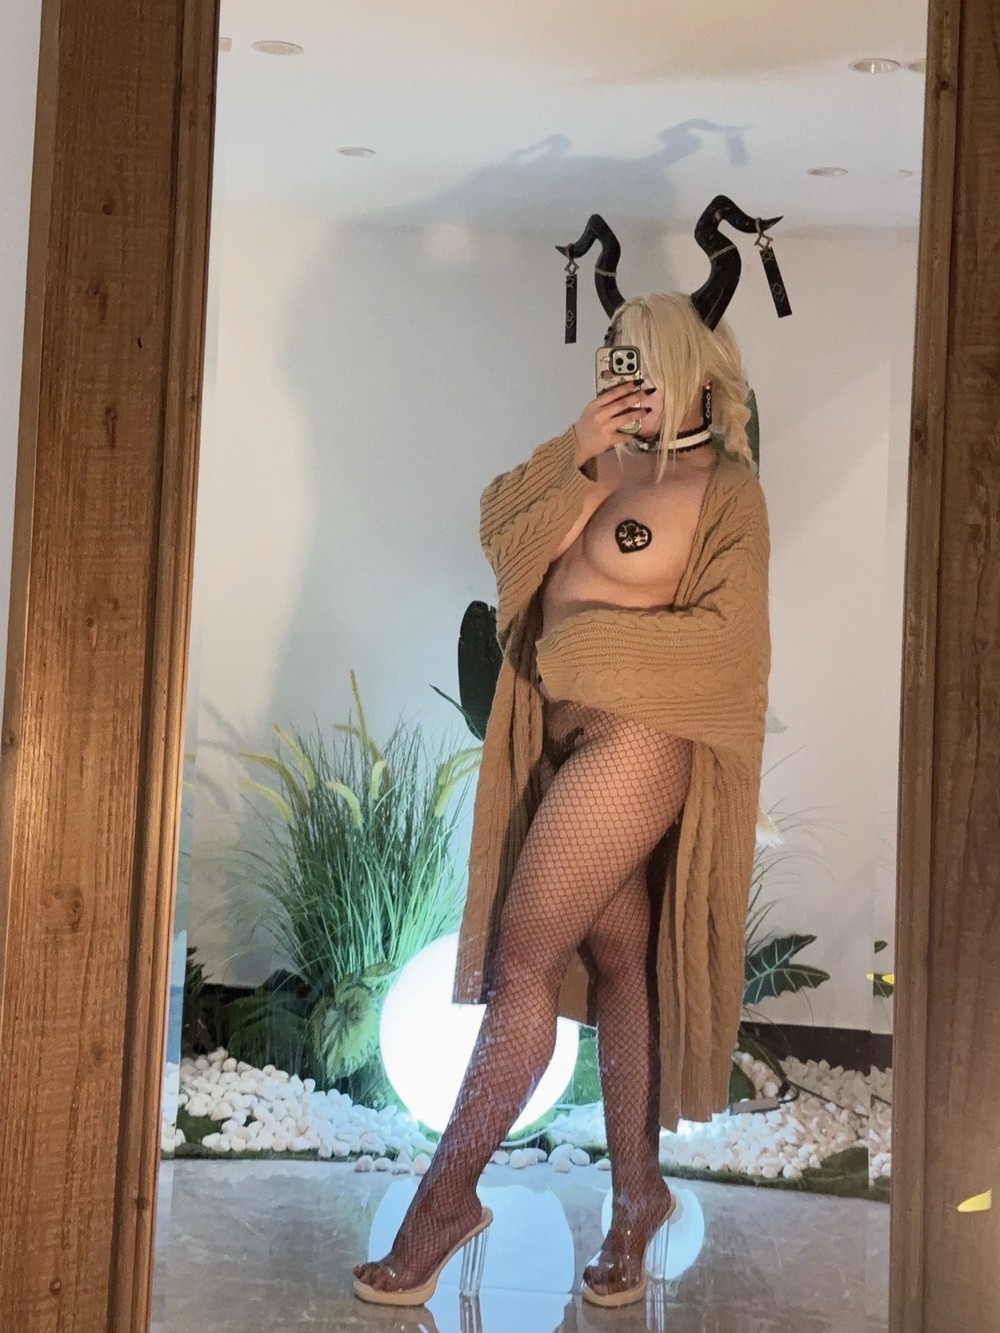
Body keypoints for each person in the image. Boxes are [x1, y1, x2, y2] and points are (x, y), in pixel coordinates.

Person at [353, 289, 771, 1310]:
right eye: (616, 357)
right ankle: (637, 1199)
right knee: (619, 956)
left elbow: (728, 646)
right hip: (559, 737)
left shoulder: (724, 491)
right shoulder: (593, 463)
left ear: (697, 371)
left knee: (524, 958)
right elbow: (504, 541)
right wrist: (573, 455)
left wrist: (580, 651)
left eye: (647, 359)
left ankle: (444, 1200)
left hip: (638, 740)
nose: (629, 377)